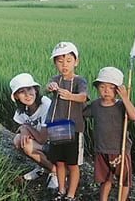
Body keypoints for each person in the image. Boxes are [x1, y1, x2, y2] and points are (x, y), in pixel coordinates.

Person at [84, 67, 135, 201]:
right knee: (105, 180)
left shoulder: (120, 106)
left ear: (118, 90)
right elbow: (82, 112)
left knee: (123, 180)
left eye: (111, 87)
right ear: (97, 88)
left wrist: (125, 98)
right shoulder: (95, 105)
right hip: (101, 150)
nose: (106, 91)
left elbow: (134, 116)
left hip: (120, 150)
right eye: (102, 87)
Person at [45, 42, 88, 201]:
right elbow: (47, 88)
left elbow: (83, 97)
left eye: (68, 61)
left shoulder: (79, 81)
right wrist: (50, 87)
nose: (64, 65)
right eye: (60, 61)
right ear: (55, 63)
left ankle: (70, 195)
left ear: (76, 62)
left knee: (73, 164)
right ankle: (61, 190)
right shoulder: (55, 79)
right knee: (59, 162)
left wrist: (70, 96)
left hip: (74, 127)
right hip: (57, 125)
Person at [10, 73, 59, 189]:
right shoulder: (21, 111)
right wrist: (23, 129)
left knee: (27, 145)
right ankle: (42, 167)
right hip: (43, 144)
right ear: (16, 96)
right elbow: (18, 128)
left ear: (36, 90)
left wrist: (26, 128)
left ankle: (56, 171)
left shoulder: (46, 105)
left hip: (56, 144)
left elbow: (42, 139)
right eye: (22, 92)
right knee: (18, 141)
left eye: (29, 89)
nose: (27, 94)